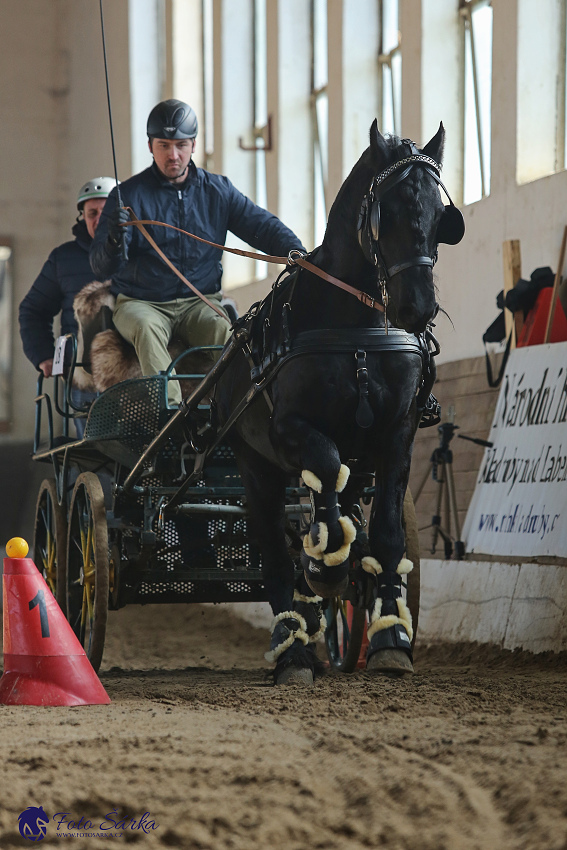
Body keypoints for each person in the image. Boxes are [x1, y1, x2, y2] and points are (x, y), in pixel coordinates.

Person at [90, 99, 306, 405]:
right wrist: (114, 239)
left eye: (180, 145)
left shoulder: (218, 191)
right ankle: (173, 416)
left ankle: (244, 413)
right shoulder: (126, 195)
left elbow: (262, 227)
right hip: (141, 303)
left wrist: (299, 255)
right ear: (150, 146)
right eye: (163, 145)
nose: (172, 155)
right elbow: (101, 268)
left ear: (193, 145)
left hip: (199, 303)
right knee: (146, 330)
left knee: (229, 336)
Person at [19, 177, 118, 436]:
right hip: (83, 378)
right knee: (97, 454)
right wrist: (43, 355)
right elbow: (32, 310)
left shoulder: (140, 254)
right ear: (82, 217)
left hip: (134, 372)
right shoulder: (62, 259)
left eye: (105, 212)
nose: (98, 219)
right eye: (91, 213)